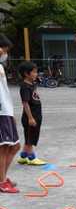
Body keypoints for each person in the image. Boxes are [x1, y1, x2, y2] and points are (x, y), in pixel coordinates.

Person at [0, 34, 20, 193]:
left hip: (6, 111)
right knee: (4, 147)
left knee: (15, 146)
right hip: (1, 112)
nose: (5, 54)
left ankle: (3, 178)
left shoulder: (0, 66)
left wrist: (10, 113)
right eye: (4, 50)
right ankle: (2, 182)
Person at [17, 62, 46, 166]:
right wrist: (30, 118)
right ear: (26, 74)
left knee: (30, 136)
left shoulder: (32, 83)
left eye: (36, 72)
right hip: (31, 116)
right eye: (34, 72)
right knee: (31, 138)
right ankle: (31, 157)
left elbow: (36, 83)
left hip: (37, 115)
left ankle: (23, 156)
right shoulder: (24, 87)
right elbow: (25, 103)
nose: (36, 74)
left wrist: (36, 79)